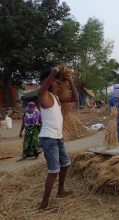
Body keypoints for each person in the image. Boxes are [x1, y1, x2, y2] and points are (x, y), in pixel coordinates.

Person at [38, 67, 79, 211]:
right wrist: (55, 71)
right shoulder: (42, 94)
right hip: (48, 139)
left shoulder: (56, 98)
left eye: (55, 80)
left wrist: (69, 79)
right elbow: (46, 83)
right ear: (46, 81)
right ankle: (44, 205)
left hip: (58, 138)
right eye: (53, 80)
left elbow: (75, 98)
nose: (55, 83)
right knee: (53, 171)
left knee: (66, 164)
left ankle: (60, 191)